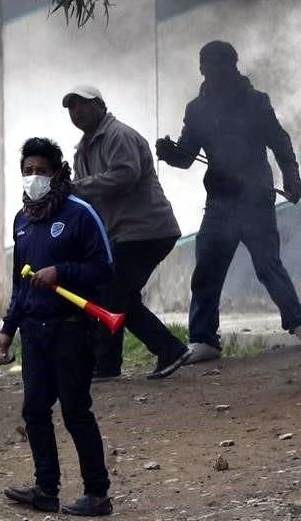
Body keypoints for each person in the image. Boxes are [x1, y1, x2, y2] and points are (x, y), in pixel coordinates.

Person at [156, 41, 301, 363]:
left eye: (220, 64)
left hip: (255, 198)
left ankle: (299, 322)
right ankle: (204, 340)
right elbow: (188, 156)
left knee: (268, 264)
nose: (213, 71)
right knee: (207, 270)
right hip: (219, 201)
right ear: (201, 69)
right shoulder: (197, 109)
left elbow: (280, 141)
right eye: (207, 65)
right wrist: (170, 154)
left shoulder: (256, 102)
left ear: (233, 65)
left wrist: (293, 177)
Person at [0, 138, 113, 516]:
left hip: (72, 329)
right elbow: (20, 283)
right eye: (27, 172)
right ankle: (46, 489)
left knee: (76, 412)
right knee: (34, 411)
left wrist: (61, 272)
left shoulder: (80, 214)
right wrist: (8, 328)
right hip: (34, 332)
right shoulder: (22, 221)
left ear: (58, 173)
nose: (33, 178)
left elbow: (104, 269)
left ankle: (97, 494)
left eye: (40, 172)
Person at [64, 85, 191, 380]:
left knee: (113, 295)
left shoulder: (118, 135)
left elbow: (125, 175)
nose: (77, 112)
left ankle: (165, 350)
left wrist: (77, 187)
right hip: (123, 235)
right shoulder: (83, 148)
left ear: (100, 105)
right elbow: (86, 196)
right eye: (71, 108)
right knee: (118, 297)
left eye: (82, 104)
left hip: (146, 231)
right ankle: (111, 363)